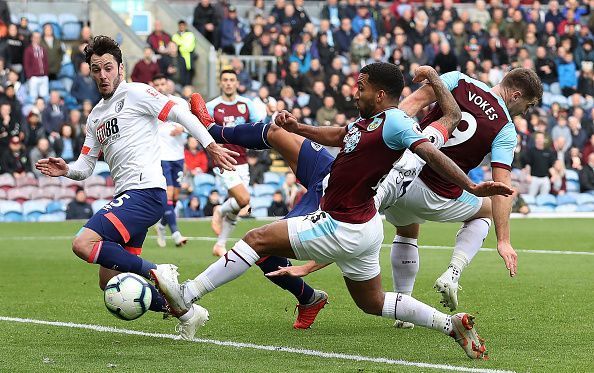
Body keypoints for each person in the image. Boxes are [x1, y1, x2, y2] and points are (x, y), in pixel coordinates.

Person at [152, 64, 512, 358]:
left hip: (341, 223)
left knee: (257, 239)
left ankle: (187, 295)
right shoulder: (367, 122)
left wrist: (472, 187)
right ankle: (452, 325)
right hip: (365, 227)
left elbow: (431, 152)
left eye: (362, 86)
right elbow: (341, 134)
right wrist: (298, 128)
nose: (356, 91)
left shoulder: (397, 124)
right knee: (372, 302)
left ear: (381, 94)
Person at [34, 35, 237, 334]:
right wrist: (67, 169)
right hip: (129, 198)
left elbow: (179, 111)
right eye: (95, 69)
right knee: (108, 280)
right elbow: (86, 167)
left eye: (107, 67)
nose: (102, 75)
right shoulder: (95, 117)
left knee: (82, 243)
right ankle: (185, 312)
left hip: (146, 193)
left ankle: (157, 271)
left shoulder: (137, 93)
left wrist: (209, 145)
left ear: (120, 68)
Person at [375, 68, 542, 325]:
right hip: (436, 194)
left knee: (407, 229)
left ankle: (404, 306)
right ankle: (453, 273)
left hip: (397, 175)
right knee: (486, 210)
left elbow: (408, 107)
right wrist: (504, 240)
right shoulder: (505, 129)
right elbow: (502, 187)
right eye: (527, 106)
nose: (525, 112)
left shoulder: (457, 80)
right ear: (515, 95)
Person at [206, 69, 265, 256]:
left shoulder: (247, 104)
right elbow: (200, 128)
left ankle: (220, 244)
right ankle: (219, 210)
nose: (229, 83)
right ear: (220, 83)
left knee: (239, 204)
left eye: (232, 80)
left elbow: (258, 127)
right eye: (225, 80)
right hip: (223, 160)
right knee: (244, 200)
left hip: (242, 160)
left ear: (237, 82)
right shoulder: (212, 106)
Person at [151, 74, 189, 248]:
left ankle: (161, 225)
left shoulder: (179, 103)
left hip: (178, 156)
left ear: (168, 85)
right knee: (168, 194)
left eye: (162, 83)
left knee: (174, 197)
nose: (160, 87)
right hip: (161, 156)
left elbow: (191, 123)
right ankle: (176, 234)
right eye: (156, 84)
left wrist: (182, 128)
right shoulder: (150, 105)